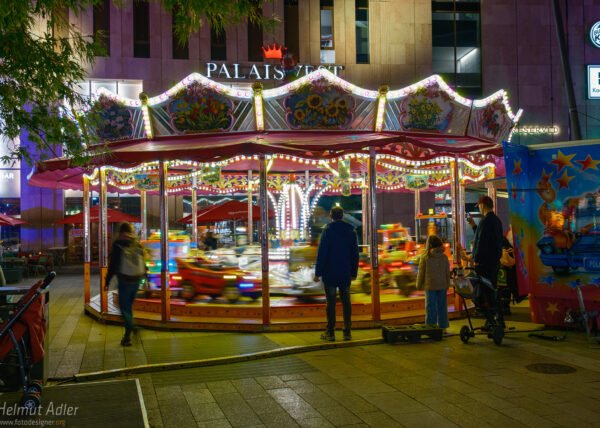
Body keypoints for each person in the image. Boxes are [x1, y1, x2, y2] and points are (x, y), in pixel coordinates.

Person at [313, 206, 359, 341]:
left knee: (331, 302)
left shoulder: (327, 230)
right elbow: (354, 253)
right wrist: (354, 272)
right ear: (342, 215)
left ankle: (331, 332)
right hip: (345, 271)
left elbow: (322, 253)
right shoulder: (351, 230)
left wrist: (318, 272)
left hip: (330, 271)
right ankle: (347, 331)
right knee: (346, 301)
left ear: (331, 216)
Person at [105, 222, 146, 346]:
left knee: (124, 308)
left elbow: (113, 265)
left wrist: (107, 281)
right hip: (137, 279)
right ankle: (130, 329)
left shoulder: (118, 244)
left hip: (125, 280)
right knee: (128, 306)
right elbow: (143, 261)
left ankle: (130, 331)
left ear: (120, 231)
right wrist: (146, 276)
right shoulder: (137, 243)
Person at [416, 235, 450, 332]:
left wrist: (418, 284)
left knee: (431, 307)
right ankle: (443, 327)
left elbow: (421, 272)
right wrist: (448, 284)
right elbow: (447, 272)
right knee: (442, 307)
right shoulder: (444, 257)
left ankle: (431, 328)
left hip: (430, 286)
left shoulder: (425, 257)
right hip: (442, 285)